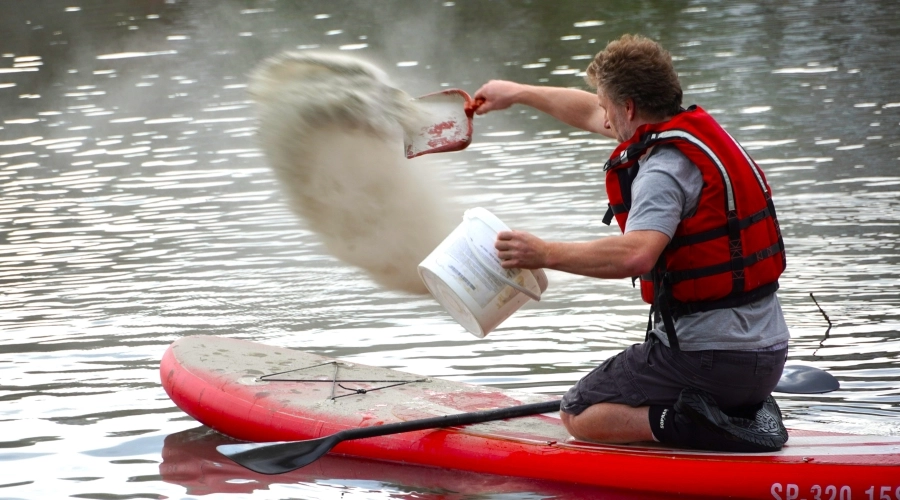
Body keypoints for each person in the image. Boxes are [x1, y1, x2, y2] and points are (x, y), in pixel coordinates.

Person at [472, 34, 790, 452]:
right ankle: (725, 409)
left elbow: (637, 254)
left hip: (707, 359)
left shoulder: (663, 170)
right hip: (767, 357)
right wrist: (517, 93)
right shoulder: (699, 136)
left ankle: (690, 424)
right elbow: (587, 109)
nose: (602, 119)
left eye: (606, 107)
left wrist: (544, 253)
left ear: (628, 108)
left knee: (579, 412)